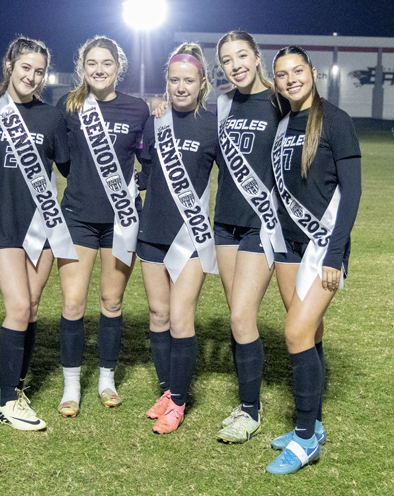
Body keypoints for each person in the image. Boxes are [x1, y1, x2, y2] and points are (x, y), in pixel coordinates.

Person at [266, 46, 361, 474]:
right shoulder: (284, 121)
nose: (291, 79)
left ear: (313, 72)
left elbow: (352, 193)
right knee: (310, 334)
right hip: (287, 244)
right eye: (282, 74)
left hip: (323, 246)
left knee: (294, 332)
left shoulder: (336, 121)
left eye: (297, 71)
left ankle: (305, 440)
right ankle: (314, 425)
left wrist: (337, 254)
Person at [0, 37, 74, 431]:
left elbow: (67, 167)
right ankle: (5, 403)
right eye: (25, 68)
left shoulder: (51, 118)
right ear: (9, 66)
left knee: (31, 308)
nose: (31, 76)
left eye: (39, 71)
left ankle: (16, 387)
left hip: (42, 227)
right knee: (17, 306)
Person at [54, 36, 149, 417]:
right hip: (77, 217)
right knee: (73, 304)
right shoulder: (70, 106)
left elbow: (149, 157)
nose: (99, 69)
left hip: (120, 221)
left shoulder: (138, 108)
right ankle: (72, 384)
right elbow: (63, 161)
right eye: (91, 63)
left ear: (118, 67)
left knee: (112, 302)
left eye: (106, 62)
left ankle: (106, 379)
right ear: (82, 67)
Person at [138, 43, 218, 434]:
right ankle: (167, 391)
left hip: (191, 237)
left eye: (189, 80)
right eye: (174, 80)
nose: (181, 87)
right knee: (159, 314)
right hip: (151, 230)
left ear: (202, 82)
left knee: (182, 316)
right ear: (166, 83)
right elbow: (145, 172)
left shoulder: (213, 123)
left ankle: (180, 402)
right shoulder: (156, 121)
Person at [212, 31, 286, 444]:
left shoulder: (279, 102)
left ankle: (251, 412)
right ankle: (245, 402)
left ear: (257, 58)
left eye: (242, 55)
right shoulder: (223, 104)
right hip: (224, 222)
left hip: (263, 223)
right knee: (237, 319)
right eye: (227, 59)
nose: (236, 64)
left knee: (242, 316)